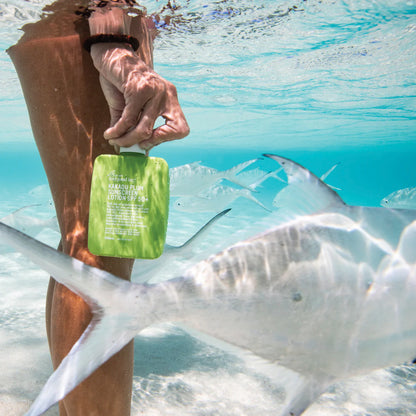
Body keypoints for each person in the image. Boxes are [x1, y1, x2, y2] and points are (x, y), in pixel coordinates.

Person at [8, 1, 189, 414]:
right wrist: (110, 39)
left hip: (105, 23)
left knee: (84, 236)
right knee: (100, 242)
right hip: (93, 22)